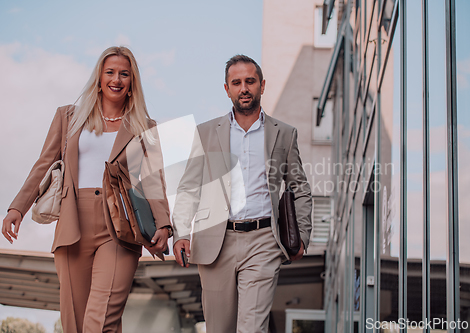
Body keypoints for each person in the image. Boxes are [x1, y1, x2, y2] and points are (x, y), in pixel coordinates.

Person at [1, 46, 172, 333]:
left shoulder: (144, 127)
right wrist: (18, 207)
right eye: (110, 72)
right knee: (76, 323)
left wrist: (164, 224)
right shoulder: (69, 117)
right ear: (99, 78)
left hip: (119, 225)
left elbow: (153, 179)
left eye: (124, 74)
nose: (116, 79)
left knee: (100, 319)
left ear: (132, 83)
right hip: (72, 222)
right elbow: (44, 164)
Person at [172, 54, 312, 333]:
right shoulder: (206, 133)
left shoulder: (284, 133)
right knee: (219, 328)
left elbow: (299, 187)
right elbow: (189, 187)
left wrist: (303, 236)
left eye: (250, 81)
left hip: (264, 241)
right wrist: (182, 233)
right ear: (227, 89)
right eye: (236, 83)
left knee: (252, 328)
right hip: (216, 241)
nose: (244, 88)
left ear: (262, 85)